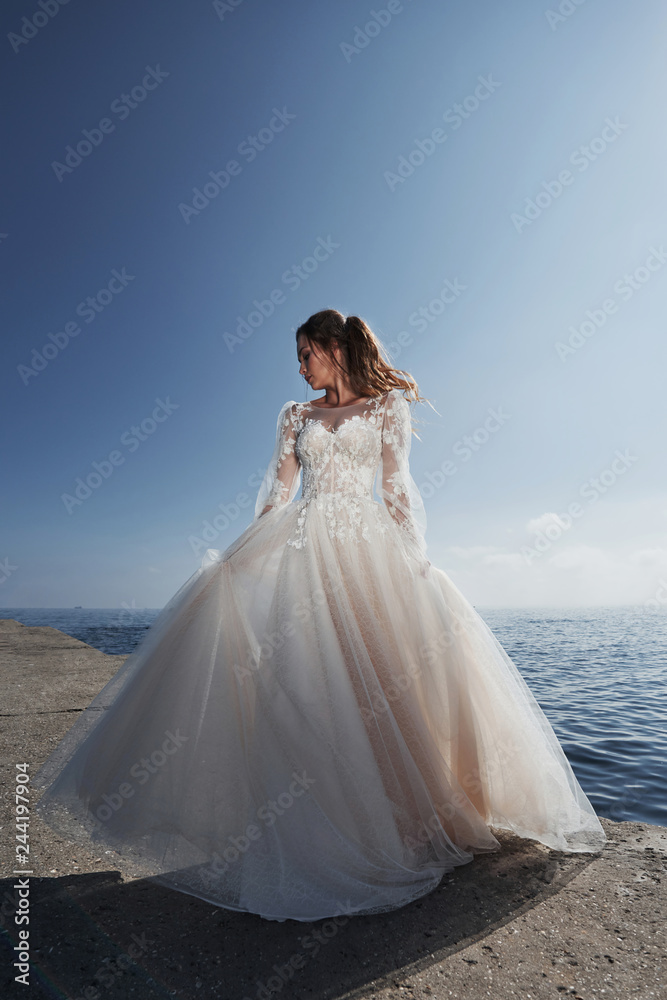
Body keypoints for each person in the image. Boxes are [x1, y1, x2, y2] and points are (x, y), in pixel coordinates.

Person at [34, 309, 606, 924]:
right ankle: (334, 824)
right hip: (306, 559)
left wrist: (413, 563)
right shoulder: (293, 416)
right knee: (312, 688)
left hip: (369, 556)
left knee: (382, 686)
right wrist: (241, 554)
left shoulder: (387, 407)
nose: (300, 365)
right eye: (298, 356)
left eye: (306, 352)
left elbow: (397, 487)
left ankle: (414, 819)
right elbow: (279, 494)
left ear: (335, 347)